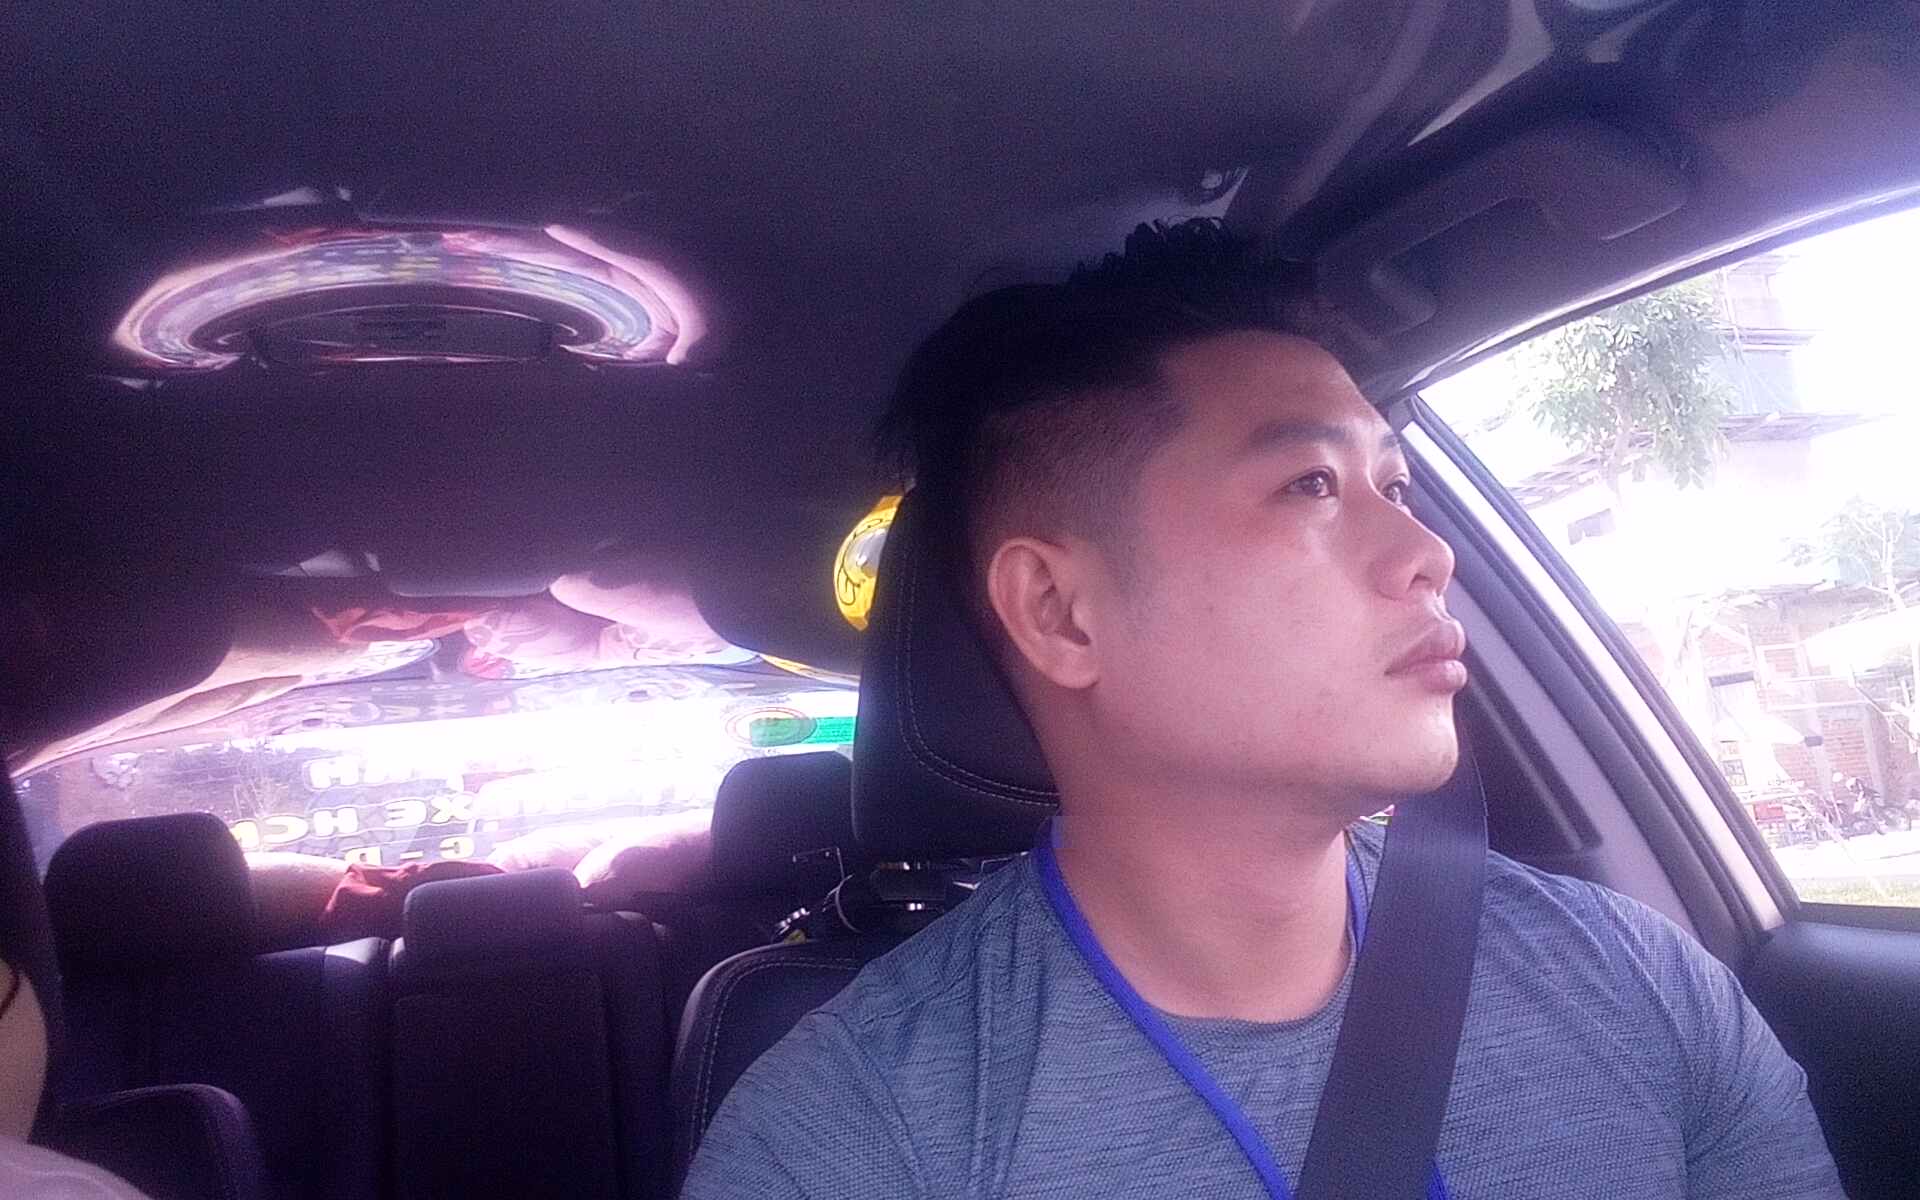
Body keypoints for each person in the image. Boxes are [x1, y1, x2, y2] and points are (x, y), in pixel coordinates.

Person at [680, 220, 1846, 1198]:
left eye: (1396, 483)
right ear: (1062, 614)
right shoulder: (850, 1134)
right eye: (1310, 484)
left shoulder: (1638, 981)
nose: (1429, 552)